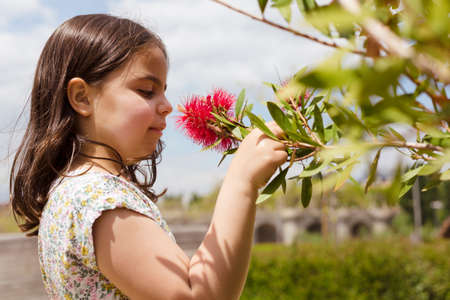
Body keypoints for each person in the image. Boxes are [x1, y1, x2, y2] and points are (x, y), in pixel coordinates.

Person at [10, 14, 287, 300]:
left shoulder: (72, 191)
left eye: (163, 91)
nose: (167, 106)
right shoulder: (99, 201)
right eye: (146, 91)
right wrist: (241, 182)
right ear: (82, 97)